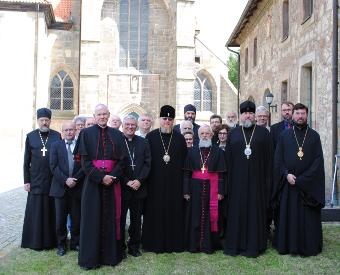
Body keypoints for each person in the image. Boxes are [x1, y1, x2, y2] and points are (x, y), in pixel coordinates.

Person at [77, 104, 126, 269]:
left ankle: (111, 256)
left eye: (105, 114)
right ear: (94, 115)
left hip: (112, 182)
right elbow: (84, 161)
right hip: (93, 184)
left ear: (109, 115)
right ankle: (91, 259)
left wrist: (111, 177)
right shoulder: (85, 133)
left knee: (111, 218)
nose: (103, 117)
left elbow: (122, 161)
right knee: (92, 219)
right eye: (99, 114)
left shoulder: (118, 135)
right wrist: (100, 177)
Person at [272, 103, 325, 256]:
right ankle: (288, 245)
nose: (300, 116)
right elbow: (278, 160)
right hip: (289, 184)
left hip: (308, 187)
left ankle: (308, 246)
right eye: (297, 113)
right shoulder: (284, 135)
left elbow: (318, 161)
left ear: (307, 115)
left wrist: (303, 179)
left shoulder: (314, 136)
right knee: (289, 216)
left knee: (307, 218)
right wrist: (287, 174)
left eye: (303, 113)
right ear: (293, 115)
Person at [224, 101, 271, 257]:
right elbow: (227, 161)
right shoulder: (234, 134)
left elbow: (270, 161)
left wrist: (267, 184)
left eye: (251, 113)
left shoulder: (264, 134)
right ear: (241, 115)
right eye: (245, 113)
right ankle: (234, 246)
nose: (248, 116)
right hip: (237, 183)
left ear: (255, 116)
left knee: (255, 213)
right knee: (237, 213)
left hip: (258, 183)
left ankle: (255, 245)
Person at [142, 105, 187, 253]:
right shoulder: (150, 137)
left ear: (173, 121)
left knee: (174, 213)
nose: (167, 121)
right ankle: (153, 243)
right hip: (155, 184)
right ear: (160, 119)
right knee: (155, 213)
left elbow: (185, 163)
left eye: (170, 119)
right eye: (164, 118)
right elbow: (146, 162)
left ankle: (174, 243)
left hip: (175, 185)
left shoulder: (180, 139)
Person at [21, 108, 61, 250]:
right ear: (38, 121)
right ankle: (34, 241)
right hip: (36, 179)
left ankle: (51, 241)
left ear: (50, 121)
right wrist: (26, 180)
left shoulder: (57, 136)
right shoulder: (30, 136)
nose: (44, 122)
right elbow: (26, 160)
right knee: (36, 211)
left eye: (46, 120)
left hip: (52, 179)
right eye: (41, 120)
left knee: (51, 210)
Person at [183, 125, 226, 254]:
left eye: (207, 133)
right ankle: (194, 244)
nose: (205, 135)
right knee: (195, 215)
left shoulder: (218, 152)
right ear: (198, 135)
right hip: (195, 188)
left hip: (212, 187)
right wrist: (186, 191)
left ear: (212, 135)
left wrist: (220, 191)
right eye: (202, 133)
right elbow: (186, 173)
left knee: (210, 216)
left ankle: (208, 244)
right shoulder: (191, 151)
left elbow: (222, 174)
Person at [49, 121, 84, 256]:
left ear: (75, 130)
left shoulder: (80, 146)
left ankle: (75, 243)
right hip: (60, 189)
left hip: (76, 188)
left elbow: (84, 166)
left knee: (76, 219)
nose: (69, 132)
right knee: (60, 220)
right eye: (66, 130)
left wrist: (75, 179)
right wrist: (65, 180)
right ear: (62, 132)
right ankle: (61, 245)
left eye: (71, 129)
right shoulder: (55, 146)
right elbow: (53, 166)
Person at [120, 115, 151, 258]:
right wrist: (126, 181)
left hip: (139, 187)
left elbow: (147, 164)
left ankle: (134, 246)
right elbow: (115, 165)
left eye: (133, 125)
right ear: (123, 125)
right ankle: (120, 247)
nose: (130, 127)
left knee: (136, 219)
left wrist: (139, 180)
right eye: (127, 124)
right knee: (120, 219)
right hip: (122, 187)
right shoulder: (118, 141)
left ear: (136, 126)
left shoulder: (143, 142)